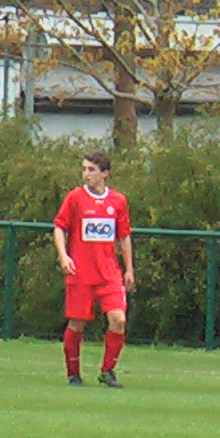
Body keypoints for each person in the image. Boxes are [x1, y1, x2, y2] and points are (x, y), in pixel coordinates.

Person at [53, 151, 135, 387]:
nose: (86, 174)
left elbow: (124, 236)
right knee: (77, 323)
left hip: (109, 273)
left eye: (91, 170)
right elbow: (59, 227)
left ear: (105, 173)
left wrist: (129, 269)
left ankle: (107, 371)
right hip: (81, 273)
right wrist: (64, 255)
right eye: (84, 169)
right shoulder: (75, 198)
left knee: (118, 319)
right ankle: (73, 374)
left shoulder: (118, 201)